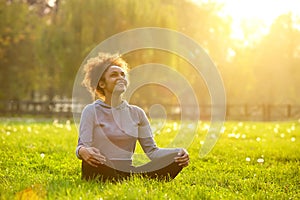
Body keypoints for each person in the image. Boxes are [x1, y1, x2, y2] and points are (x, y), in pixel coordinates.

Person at [76, 52, 189, 182]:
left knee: (176, 157)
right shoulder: (91, 111)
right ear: (102, 84)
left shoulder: (137, 113)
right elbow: (83, 146)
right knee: (96, 163)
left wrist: (180, 151)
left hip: (127, 169)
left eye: (122, 74)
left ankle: (129, 177)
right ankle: (129, 178)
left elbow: (152, 151)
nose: (120, 77)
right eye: (114, 75)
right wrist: (82, 151)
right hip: (100, 167)